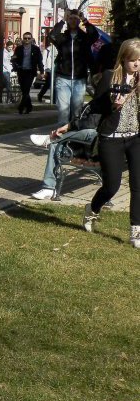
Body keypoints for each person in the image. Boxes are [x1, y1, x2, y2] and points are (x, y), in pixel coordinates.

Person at [82, 38, 140, 248]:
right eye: (133, 60)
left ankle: (136, 231)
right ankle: (92, 210)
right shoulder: (110, 77)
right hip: (111, 139)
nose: (137, 64)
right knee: (112, 187)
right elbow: (95, 106)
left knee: (138, 185)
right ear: (124, 59)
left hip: (135, 138)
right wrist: (112, 104)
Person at [29, 100, 101, 200]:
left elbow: (90, 123)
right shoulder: (98, 101)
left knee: (91, 132)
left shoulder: (111, 107)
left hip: (98, 151)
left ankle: (51, 138)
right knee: (55, 146)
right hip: (80, 148)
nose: (117, 96)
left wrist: (68, 126)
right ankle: (48, 188)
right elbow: (82, 119)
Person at [49, 9, 99, 124]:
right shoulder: (63, 38)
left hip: (79, 79)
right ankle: (61, 138)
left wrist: (84, 20)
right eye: (70, 18)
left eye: (75, 19)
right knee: (63, 110)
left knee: (77, 111)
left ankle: (72, 136)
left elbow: (94, 35)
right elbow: (52, 35)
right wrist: (62, 20)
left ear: (78, 21)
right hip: (63, 78)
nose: (73, 21)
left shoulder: (84, 38)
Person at [11, 32, 44, 114]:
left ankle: (21, 107)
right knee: (24, 90)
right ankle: (29, 107)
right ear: (23, 39)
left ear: (31, 39)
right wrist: (15, 65)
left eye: (29, 38)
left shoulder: (36, 49)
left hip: (30, 72)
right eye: (25, 38)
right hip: (21, 71)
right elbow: (14, 58)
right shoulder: (19, 48)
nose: (27, 40)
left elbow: (39, 61)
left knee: (26, 89)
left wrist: (42, 71)